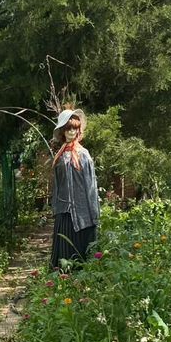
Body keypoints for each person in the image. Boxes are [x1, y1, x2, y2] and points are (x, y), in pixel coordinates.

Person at [50, 107, 100, 269]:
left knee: (81, 256)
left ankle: (81, 284)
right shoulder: (59, 156)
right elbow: (57, 186)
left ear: (78, 131)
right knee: (64, 254)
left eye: (74, 128)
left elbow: (91, 185)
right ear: (62, 132)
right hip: (64, 214)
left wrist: (94, 215)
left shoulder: (83, 155)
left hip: (82, 214)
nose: (71, 132)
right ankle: (63, 283)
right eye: (68, 128)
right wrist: (56, 208)